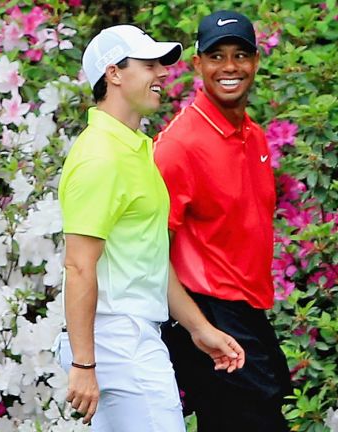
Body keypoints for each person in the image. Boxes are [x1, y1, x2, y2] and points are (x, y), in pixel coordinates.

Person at [55, 24, 245, 432]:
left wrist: (199, 329)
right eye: (149, 64)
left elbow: (148, 260)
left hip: (128, 337)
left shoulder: (135, 150)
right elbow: (79, 266)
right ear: (114, 73)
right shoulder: (101, 157)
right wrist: (84, 363)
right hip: (117, 342)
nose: (162, 73)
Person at [154, 10, 293, 432]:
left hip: (248, 311)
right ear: (198, 65)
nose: (229, 67)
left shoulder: (254, 134)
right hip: (210, 314)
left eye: (240, 55)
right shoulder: (179, 145)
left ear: (255, 62)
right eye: (216, 56)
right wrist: (195, 326)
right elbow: (149, 250)